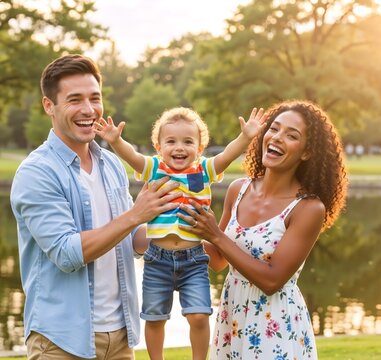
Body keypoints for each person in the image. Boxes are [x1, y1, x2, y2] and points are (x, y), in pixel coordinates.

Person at [10, 54, 181, 360]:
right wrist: (135, 215)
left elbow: (131, 240)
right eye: (75, 99)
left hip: (120, 338)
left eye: (95, 98)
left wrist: (177, 228)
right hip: (61, 341)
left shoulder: (111, 164)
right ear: (49, 106)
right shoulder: (37, 173)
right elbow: (67, 253)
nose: (89, 110)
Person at [178, 100, 348, 359]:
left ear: (306, 152)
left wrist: (215, 234)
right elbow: (217, 260)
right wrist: (167, 233)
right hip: (232, 318)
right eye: (274, 128)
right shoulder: (239, 189)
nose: (277, 138)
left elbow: (272, 280)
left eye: (292, 135)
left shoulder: (308, 208)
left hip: (275, 325)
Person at [94, 107, 268, 360]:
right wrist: (115, 140)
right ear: (159, 146)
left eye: (188, 142)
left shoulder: (203, 170)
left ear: (199, 147)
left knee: (198, 315)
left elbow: (227, 156)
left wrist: (246, 136)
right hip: (157, 260)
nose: (179, 148)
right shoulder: (154, 168)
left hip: (193, 260)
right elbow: (132, 156)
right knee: (155, 318)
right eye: (171, 141)